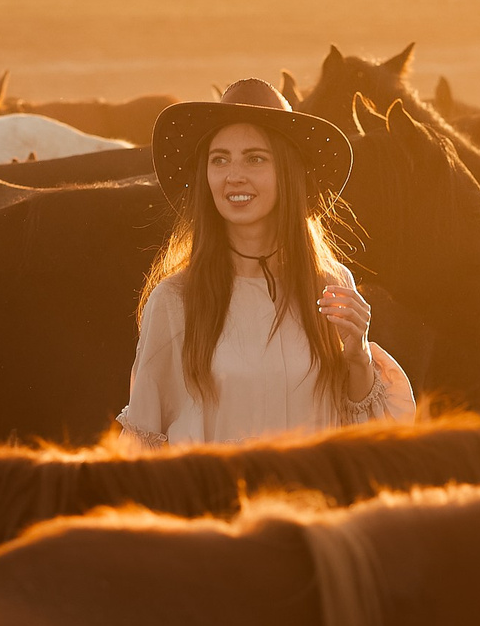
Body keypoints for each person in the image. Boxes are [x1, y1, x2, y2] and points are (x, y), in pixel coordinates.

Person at [118, 79, 413, 445]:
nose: (234, 175)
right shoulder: (175, 300)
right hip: (220, 500)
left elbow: (365, 436)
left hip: (312, 499)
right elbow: (143, 443)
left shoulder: (330, 283)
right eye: (219, 159)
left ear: (287, 172)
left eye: (255, 158)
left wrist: (359, 355)